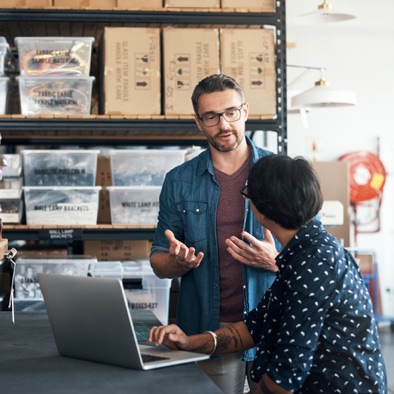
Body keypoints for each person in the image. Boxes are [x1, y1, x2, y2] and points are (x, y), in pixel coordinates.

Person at [149, 154, 388, 394]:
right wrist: (190, 342)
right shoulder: (302, 253)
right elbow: (253, 327)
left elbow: (285, 377)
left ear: (261, 209)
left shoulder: (315, 262)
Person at [150, 74, 281, 393]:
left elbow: (315, 255)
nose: (223, 124)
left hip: (276, 326)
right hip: (209, 330)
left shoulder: (281, 173)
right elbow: (157, 261)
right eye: (211, 116)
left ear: (245, 111)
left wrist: (275, 261)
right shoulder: (179, 181)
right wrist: (177, 263)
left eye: (231, 112)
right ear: (198, 122)